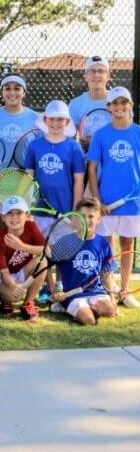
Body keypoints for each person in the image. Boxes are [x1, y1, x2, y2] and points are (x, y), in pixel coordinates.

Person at [25, 100, 85, 297]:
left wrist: (75, 211)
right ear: (45, 120)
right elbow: (29, 178)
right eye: (52, 119)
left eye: (61, 119)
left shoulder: (74, 148)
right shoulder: (34, 146)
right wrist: (27, 208)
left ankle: (59, 285)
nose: (56, 123)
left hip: (65, 209)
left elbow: (78, 181)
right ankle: (46, 286)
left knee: (62, 251)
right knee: (43, 250)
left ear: (67, 122)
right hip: (40, 209)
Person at [87, 86, 140, 308]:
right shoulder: (101, 135)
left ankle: (125, 290)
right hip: (107, 202)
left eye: (123, 102)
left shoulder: (138, 132)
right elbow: (92, 169)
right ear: (108, 108)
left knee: (127, 243)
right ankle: (108, 289)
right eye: (114, 103)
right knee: (106, 246)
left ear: (131, 105)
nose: (119, 107)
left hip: (133, 203)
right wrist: (98, 200)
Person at [0, 75, 38, 233]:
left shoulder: (35, 118)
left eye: (17, 88)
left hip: (25, 183)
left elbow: (39, 151)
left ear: (24, 92)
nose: (12, 92)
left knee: (26, 233)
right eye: (7, 88)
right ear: (2, 92)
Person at [51, 198, 117, 325]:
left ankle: (87, 308)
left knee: (109, 309)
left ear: (98, 219)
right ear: (75, 219)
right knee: (89, 320)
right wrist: (57, 289)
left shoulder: (103, 243)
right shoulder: (67, 242)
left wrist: (112, 299)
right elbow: (54, 265)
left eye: (91, 216)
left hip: (96, 292)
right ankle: (73, 308)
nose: (86, 220)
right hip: (73, 293)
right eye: (82, 216)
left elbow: (107, 273)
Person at [0, 196, 46, 322]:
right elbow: (5, 274)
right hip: (1, 276)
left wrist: (21, 246)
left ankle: (28, 303)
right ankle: (3, 298)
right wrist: (15, 288)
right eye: (9, 213)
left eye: (19, 213)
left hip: (21, 271)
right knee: (12, 296)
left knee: (43, 262)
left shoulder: (31, 227)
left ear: (27, 215)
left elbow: (47, 251)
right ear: (3, 217)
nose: (14, 217)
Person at [68, 55, 111, 151]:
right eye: (92, 71)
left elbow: (126, 135)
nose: (96, 75)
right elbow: (69, 139)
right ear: (85, 76)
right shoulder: (75, 104)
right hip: (87, 160)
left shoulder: (119, 102)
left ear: (108, 76)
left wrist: (97, 142)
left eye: (101, 71)